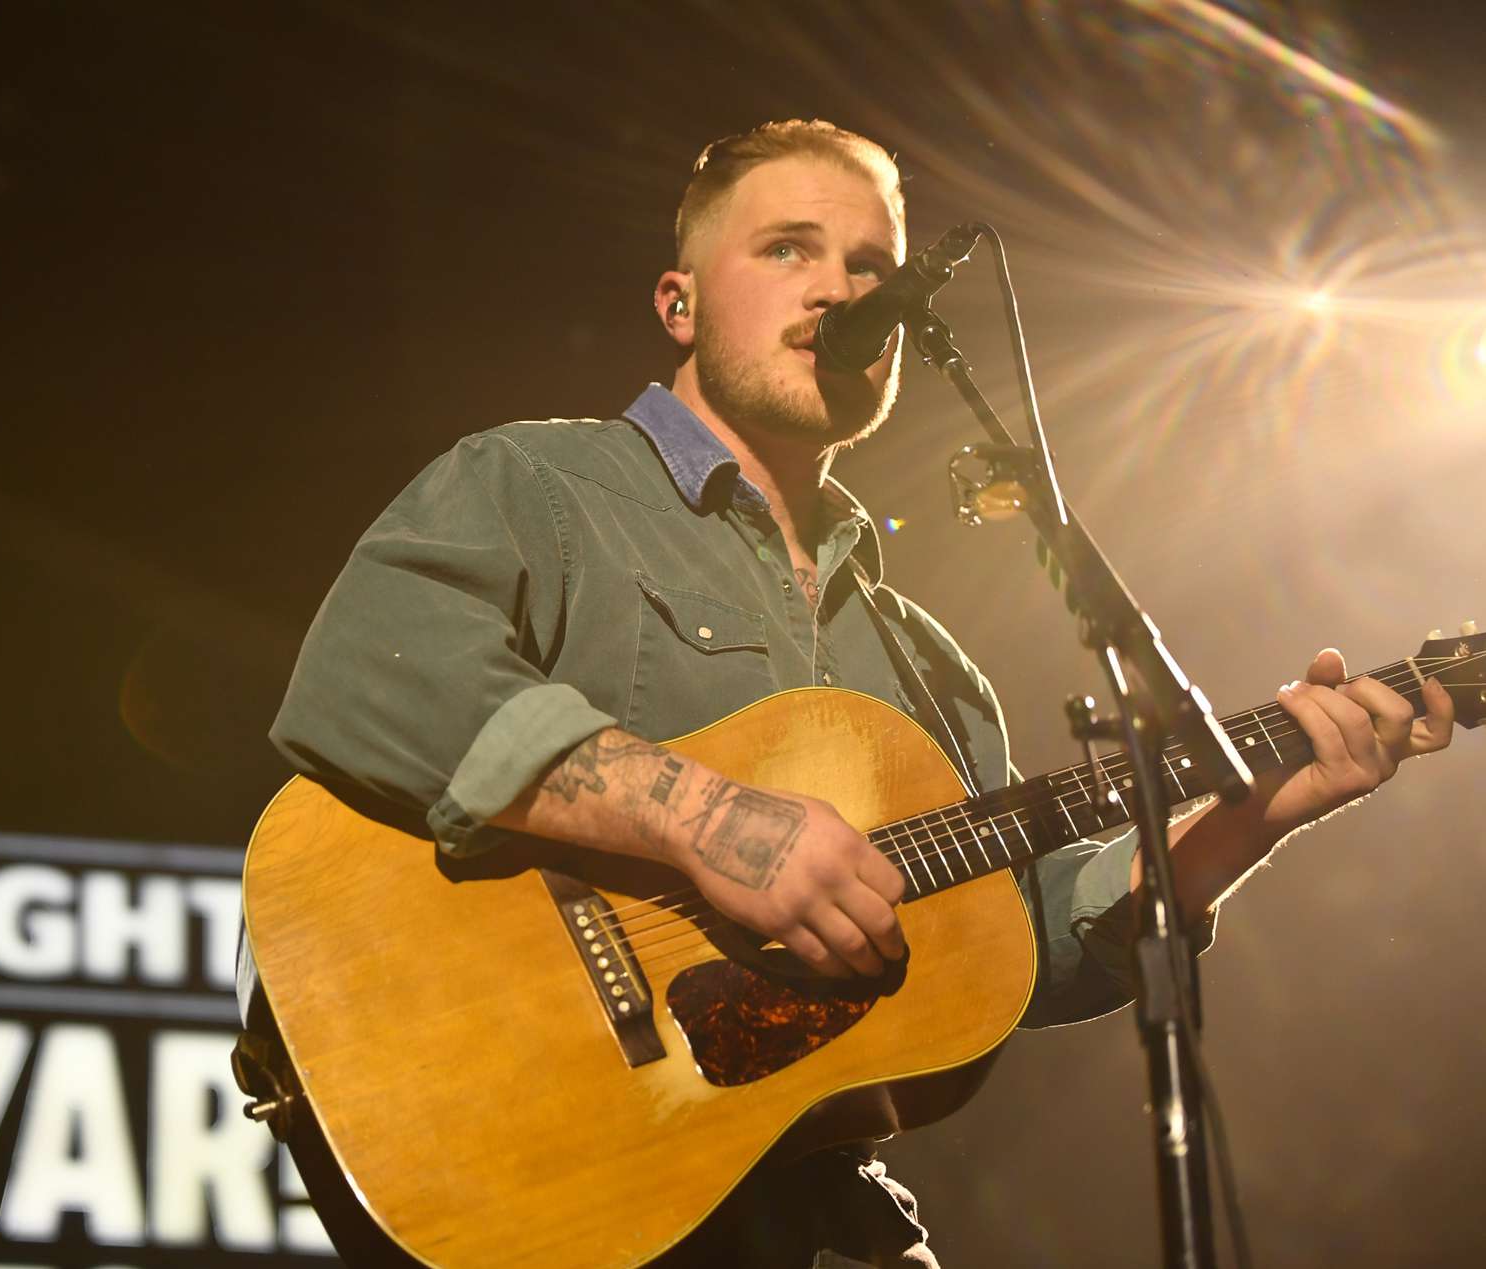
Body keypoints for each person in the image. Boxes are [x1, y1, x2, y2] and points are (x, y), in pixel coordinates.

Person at [262, 120, 1456, 1268]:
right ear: (678, 302)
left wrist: (1254, 813)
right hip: (560, 1149)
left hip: (819, 1208)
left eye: (873, 265)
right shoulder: (539, 482)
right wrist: (710, 821)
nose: (841, 289)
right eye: (788, 248)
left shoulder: (929, 668)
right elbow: (372, 681)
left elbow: (1024, 949)